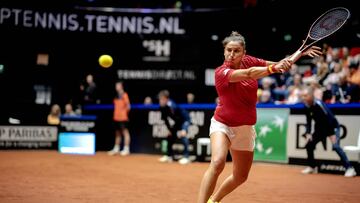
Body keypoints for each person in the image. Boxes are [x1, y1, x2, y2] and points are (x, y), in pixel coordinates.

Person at [197, 31, 323, 203]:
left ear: (244, 52)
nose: (231, 54)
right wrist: (273, 68)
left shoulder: (249, 60)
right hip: (222, 124)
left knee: (240, 176)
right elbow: (251, 73)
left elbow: (280, 65)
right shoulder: (221, 72)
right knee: (218, 162)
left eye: (236, 51)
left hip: (245, 128)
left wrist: (299, 54)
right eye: (228, 50)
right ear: (224, 51)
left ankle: (215, 200)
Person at [299, 86, 356, 177]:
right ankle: (312, 167)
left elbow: (330, 118)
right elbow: (308, 121)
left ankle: (350, 168)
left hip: (332, 126)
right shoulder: (306, 106)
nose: (303, 98)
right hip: (320, 129)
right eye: (302, 96)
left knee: (336, 146)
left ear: (311, 95)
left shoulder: (319, 104)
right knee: (309, 144)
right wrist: (308, 133)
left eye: (305, 96)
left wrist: (332, 133)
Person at [158, 89, 192, 165]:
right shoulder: (161, 107)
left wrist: (184, 129)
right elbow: (166, 120)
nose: (160, 101)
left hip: (185, 119)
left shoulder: (172, 106)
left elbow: (180, 117)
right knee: (169, 136)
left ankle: (186, 157)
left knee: (183, 135)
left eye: (161, 99)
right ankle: (169, 156)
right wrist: (170, 130)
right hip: (178, 121)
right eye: (159, 99)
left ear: (166, 99)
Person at [108, 81, 131, 156]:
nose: (116, 87)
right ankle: (116, 148)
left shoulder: (125, 95)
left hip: (123, 118)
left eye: (117, 85)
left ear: (121, 86)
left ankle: (126, 149)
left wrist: (124, 114)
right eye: (116, 85)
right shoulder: (116, 96)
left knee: (125, 133)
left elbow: (128, 107)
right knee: (117, 134)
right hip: (116, 118)